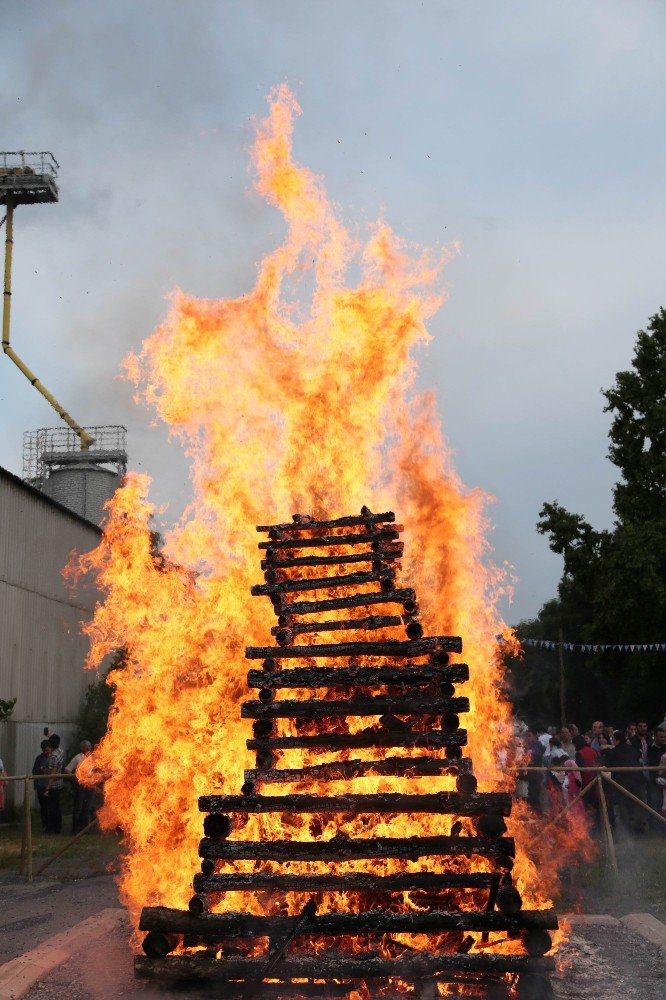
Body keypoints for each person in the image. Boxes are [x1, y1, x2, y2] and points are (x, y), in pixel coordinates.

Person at [605, 730, 646, 836]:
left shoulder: (613, 752)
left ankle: (627, 831)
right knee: (638, 806)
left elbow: (608, 766)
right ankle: (638, 829)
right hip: (637, 782)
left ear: (615, 739)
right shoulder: (633, 749)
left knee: (623, 807)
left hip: (622, 783)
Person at [66, 740, 94, 835]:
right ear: (81, 747)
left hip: (90, 786)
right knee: (78, 808)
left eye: (89, 746)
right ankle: (75, 830)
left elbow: (96, 770)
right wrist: (75, 780)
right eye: (86, 746)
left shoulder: (93, 758)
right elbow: (68, 769)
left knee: (87, 808)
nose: (88, 748)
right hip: (81, 786)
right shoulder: (77, 758)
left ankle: (84, 830)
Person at [44, 734, 65, 835]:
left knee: (53, 808)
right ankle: (57, 827)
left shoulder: (53, 757)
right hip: (60, 784)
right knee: (56, 807)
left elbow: (52, 774)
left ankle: (55, 829)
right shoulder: (60, 751)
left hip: (53, 786)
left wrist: (47, 789)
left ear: (50, 744)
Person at [646, 724, 666, 828]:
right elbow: (647, 764)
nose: (663, 739)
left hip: (665, 781)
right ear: (655, 736)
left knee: (663, 805)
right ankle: (654, 827)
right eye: (661, 737)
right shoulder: (650, 748)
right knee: (654, 804)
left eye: (664, 737)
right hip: (653, 781)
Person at [524, 728, 545, 813]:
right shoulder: (529, 746)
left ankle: (538, 815)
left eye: (529, 736)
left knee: (534, 795)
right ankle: (534, 814)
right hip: (530, 774)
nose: (527, 738)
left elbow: (533, 755)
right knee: (531, 795)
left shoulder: (537, 744)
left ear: (535, 736)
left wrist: (526, 753)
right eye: (526, 736)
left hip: (536, 773)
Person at [32, 739, 51, 833]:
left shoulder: (53, 757)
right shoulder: (39, 758)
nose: (46, 752)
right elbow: (34, 771)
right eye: (44, 750)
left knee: (50, 806)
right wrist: (40, 770)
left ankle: (51, 825)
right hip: (41, 785)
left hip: (50, 785)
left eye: (47, 750)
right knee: (43, 807)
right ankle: (45, 825)